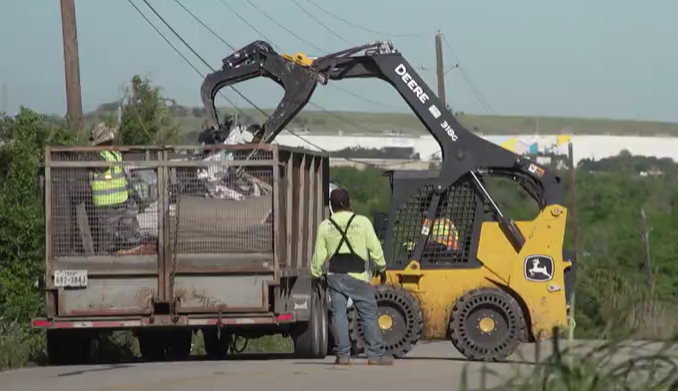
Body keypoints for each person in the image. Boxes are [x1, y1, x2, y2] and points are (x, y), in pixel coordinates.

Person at [310, 188, 394, 366]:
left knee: (338, 316)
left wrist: (315, 274)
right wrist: (382, 268)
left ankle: (343, 355)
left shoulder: (325, 226)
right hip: (358, 276)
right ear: (350, 203)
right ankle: (375, 355)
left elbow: (319, 255)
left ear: (331, 207)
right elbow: (375, 247)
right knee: (368, 315)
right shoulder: (362, 222)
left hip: (335, 277)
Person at [88, 123, 143, 254]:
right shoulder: (96, 156)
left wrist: (133, 195)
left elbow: (122, 177)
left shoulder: (115, 155)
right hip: (106, 205)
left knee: (129, 230)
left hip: (121, 201)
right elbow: (101, 167)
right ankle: (105, 263)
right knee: (107, 238)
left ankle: (130, 255)